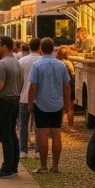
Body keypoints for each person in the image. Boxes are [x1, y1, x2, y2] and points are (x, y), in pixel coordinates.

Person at [27, 37, 71, 173]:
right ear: (53, 49)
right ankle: (56, 166)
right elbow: (67, 86)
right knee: (57, 134)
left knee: (43, 135)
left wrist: (30, 103)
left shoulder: (37, 65)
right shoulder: (61, 65)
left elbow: (33, 86)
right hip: (57, 104)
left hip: (41, 103)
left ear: (41, 48)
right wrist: (67, 102)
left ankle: (44, 166)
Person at [0, 36, 23, 179]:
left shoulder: (1, 64)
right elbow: (21, 82)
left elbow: (0, 85)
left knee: (5, 135)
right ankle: (13, 166)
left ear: (5, 47)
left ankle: (6, 168)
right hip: (15, 100)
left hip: (4, 102)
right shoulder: (17, 62)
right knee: (12, 134)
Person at [56, 46, 78, 133]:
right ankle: (70, 127)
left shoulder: (57, 63)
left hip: (59, 86)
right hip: (69, 85)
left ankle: (59, 126)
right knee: (70, 107)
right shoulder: (68, 63)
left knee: (60, 107)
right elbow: (73, 74)